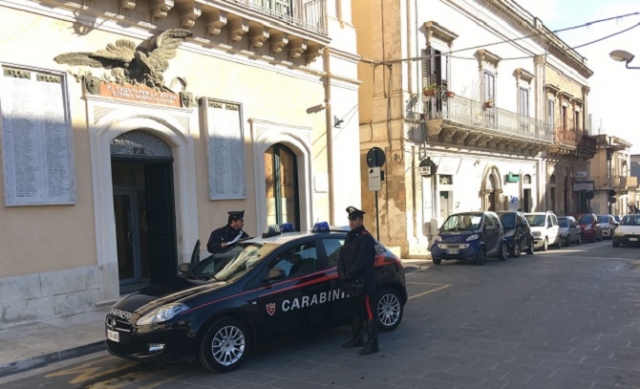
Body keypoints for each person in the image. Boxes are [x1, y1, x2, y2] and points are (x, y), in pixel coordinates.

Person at [337, 206, 379, 355]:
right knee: (355, 310)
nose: (351, 222)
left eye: (354, 219)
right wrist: (341, 272)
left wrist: (347, 275)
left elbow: (363, 261)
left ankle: (373, 342)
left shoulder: (366, 238)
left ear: (361, 220)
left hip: (364, 282)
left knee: (369, 311)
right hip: (352, 282)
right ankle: (357, 337)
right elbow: (342, 255)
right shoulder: (350, 237)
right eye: (350, 219)